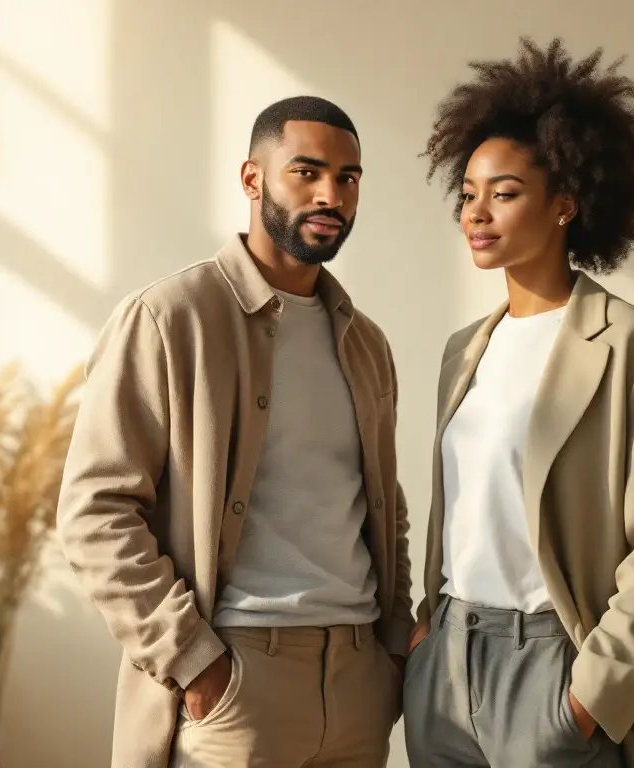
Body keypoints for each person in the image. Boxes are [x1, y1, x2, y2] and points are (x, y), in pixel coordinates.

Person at [57, 95, 413, 768]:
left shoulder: (366, 343)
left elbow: (383, 507)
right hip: (238, 679)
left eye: (348, 177)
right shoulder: (170, 318)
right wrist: (194, 663)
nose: (330, 194)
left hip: (359, 681)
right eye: (305, 172)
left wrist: (391, 650)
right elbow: (94, 511)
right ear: (253, 180)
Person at [403, 37, 634, 768]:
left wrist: (588, 700)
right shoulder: (462, 351)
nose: (477, 212)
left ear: (566, 203)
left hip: (554, 665)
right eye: (468, 193)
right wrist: (424, 636)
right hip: (445, 667)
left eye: (503, 193)